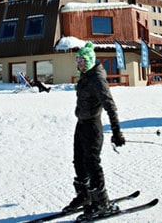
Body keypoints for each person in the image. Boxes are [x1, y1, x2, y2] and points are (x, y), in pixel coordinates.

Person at [63, 41, 126, 220]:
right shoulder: (85, 75)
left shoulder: (97, 78)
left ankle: (101, 202)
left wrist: (116, 130)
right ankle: (85, 196)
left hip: (92, 126)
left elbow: (110, 105)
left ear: (89, 61)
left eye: (82, 60)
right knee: (78, 161)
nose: (79, 64)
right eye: (78, 60)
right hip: (81, 123)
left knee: (92, 163)